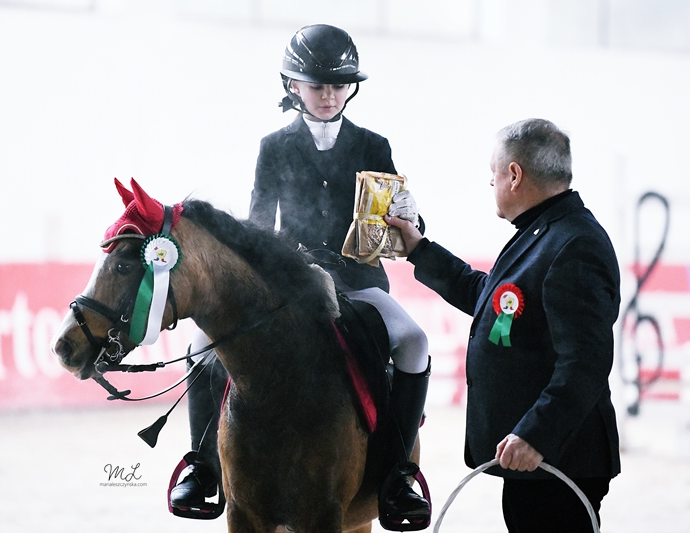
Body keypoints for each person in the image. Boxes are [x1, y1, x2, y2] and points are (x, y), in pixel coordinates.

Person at [169, 24, 433, 529]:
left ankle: (400, 473)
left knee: (414, 341)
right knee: (200, 346)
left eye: (338, 85)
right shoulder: (274, 146)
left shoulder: (374, 145)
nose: (329, 95)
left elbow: (401, 223)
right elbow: (256, 228)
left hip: (359, 283)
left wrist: (410, 216)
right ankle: (202, 468)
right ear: (293, 85)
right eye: (317, 85)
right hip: (291, 288)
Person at [385, 118, 621, 532]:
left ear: (514, 175)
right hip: (535, 461)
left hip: (556, 458)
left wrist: (537, 435)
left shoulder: (575, 243)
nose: (490, 183)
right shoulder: (545, 230)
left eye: (492, 173)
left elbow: (586, 362)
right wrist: (419, 250)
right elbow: (491, 298)